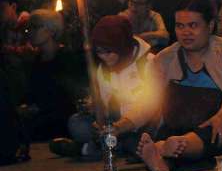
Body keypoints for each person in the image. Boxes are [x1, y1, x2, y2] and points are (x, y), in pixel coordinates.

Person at [137, 0, 222, 171]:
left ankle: (169, 149)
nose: (186, 32)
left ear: (210, 26)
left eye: (193, 25)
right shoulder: (165, 58)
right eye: (180, 26)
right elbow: (148, 101)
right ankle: (162, 162)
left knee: (217, 129)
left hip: (219, 126)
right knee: (165, 129)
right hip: (178, 126)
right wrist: (119, 126)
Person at [52, 15, 156, 158]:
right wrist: (95, 111)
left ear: (122, 46)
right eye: (99, 52)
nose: (104, 57)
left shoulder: (148, 63)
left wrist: (120, 127)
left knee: (138, 141)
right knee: (77, 123)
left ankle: (88, 149)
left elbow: (148, 108)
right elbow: (106, 106)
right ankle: (108, 145)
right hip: (115, 124)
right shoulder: (103, 69)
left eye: (108, 51)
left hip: (142, 125)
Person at [21, 10, 87, 142]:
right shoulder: (35, 61)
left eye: (36, 27)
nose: (31, 32)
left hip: (63, 122)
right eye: (29, 28)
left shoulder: (68, 59)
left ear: (51, 30)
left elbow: (71, 96)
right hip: (41, 122)